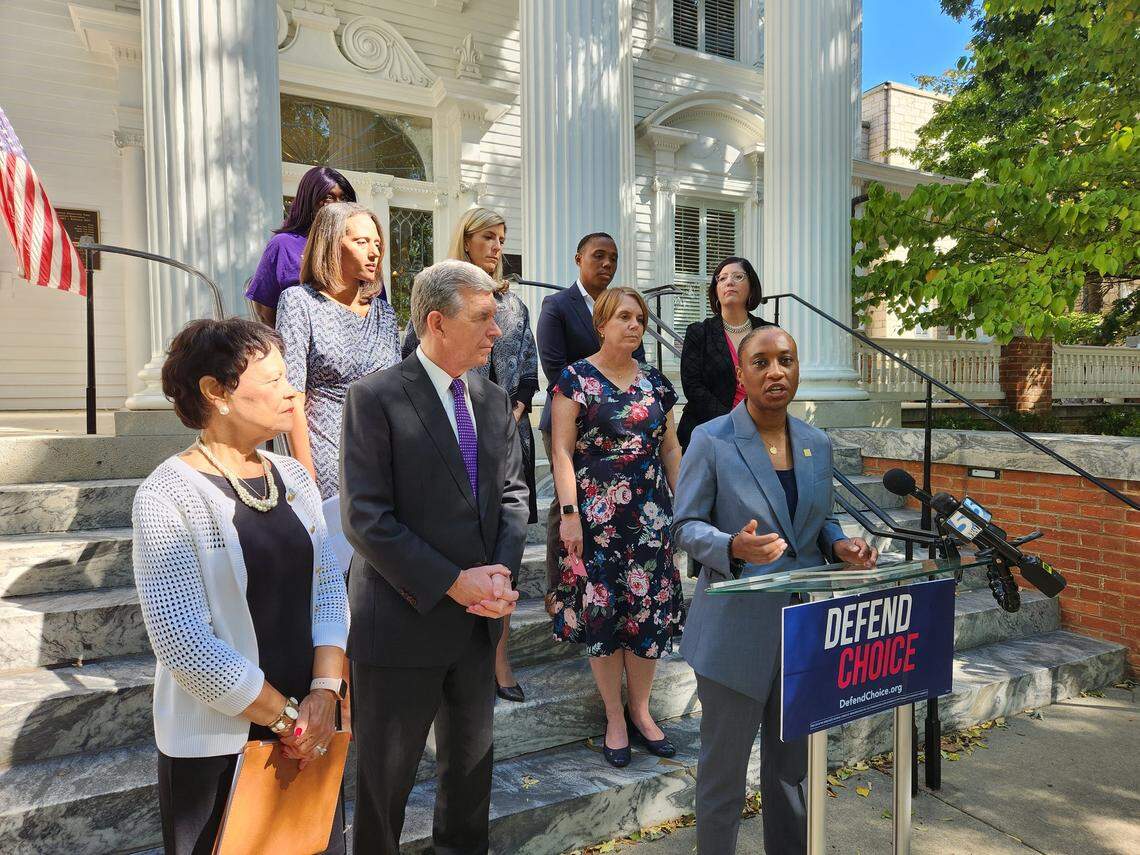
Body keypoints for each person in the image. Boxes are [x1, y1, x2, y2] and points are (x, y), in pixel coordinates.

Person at [132, 318, 350, 855]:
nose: (292, 392)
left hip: (311, 728)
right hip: (222, 738)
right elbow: (183, 642)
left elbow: (327, 590)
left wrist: (324, 694)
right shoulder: (167, 496)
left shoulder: (294, 479)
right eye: (273, 380)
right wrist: (286, 717)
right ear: (215, 392)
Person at [340, 259, 530, 854]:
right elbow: (366, 519)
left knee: (470, 785)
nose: (496, 331)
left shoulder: (496, 401)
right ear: (436, 322)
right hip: (400, 627)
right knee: (383, 792)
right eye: (482, 318)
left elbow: (513, 496)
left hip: (475, 631)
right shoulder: (374, 398)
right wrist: (453, 581)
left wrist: (498, 575)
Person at [672, 325, 878, 855]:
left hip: (802, 634)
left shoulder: (816, 442)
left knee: (792, 775)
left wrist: (840, 546)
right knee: (723, 778)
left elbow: (820, 521)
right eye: (761, 362)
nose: (776, 372)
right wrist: (731, 547)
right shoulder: (711, 438)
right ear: (741, 374)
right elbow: (686, 526)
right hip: (734, 636)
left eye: (785, 360)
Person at [400, 206, 540, 702]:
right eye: (488, 237)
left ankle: (497, 659)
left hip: (504, 432)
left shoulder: (515, 306)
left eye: (503, 238)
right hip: (449, 439)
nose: (498, 246)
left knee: (505, 549)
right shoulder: (440, 291)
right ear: (466, 239)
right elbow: (411, 360)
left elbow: (528, 370)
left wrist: (510, 415)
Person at [548, 287, 684, 769]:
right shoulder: (574, 379)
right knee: (604, 614)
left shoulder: (657, 384)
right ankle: (614, 718)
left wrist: (684, 509)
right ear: (601, 324)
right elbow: (561, 451)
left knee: (646, 615)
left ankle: (642, 712)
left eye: (640, 318)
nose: (634, 324)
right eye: (624, 316)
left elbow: (670, 450)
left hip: (650, 517)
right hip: (595, 520)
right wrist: (569, 516)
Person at [535, 233, 645, 600]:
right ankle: (560, 588)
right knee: (565, 503)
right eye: (599, 256)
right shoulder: (557, 305)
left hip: (619, 426)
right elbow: (554, 367)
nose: (607, 264)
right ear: (578, 258)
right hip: (570, 421)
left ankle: (607, 580)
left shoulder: (625, 310)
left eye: (613, 257)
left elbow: (636, 363)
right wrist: (602, 402)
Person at [276, 202, 400, 507]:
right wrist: (306, 474)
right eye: (361, 242)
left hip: (385, 456)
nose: (374, 252)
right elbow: (292, 394)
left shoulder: (384, 312)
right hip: (328, 456)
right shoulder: (298, 302)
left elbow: (398, 394)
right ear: (331, 244)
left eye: (377, 243)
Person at [677, 256, 772, 450]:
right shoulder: (699, 332)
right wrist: (733, 421)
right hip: (709, 433)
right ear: (716, 290)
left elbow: (775, 380)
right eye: (722, 278)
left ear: (751, 287)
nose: (729, 282)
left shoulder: (769, 332)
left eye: (738, 277)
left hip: (760, 430)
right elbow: (693, 387)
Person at [246, 166, 357, 326]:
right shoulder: (284, 245)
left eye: (344, 199)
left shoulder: (360, 247)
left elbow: (376, 306)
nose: (337, 206)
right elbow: (264, 311)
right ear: (309, 200)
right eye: (328, 198)